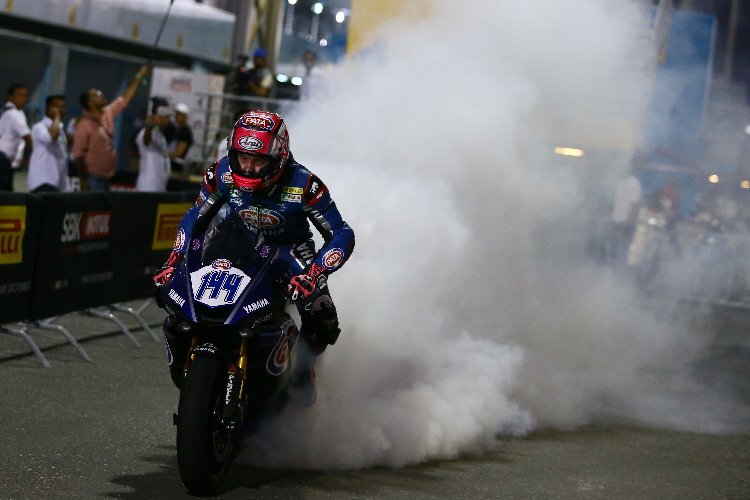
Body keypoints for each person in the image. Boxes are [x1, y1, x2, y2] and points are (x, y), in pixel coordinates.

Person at [153, 109, 355, 406]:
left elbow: (342, 233)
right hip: (234, 241)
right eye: (242, 158)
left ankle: (302, 370)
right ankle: (192, 359)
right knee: (170, 294)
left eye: (259, 160)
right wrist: (173, 261)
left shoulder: (305, 184)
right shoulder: (220, 172)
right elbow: (193, 218)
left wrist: (313, 273)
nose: (247, 168)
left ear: (279, 158)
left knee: (323, 316)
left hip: (287, 249)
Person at [72, 65, 149, 191]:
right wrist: (83, 180)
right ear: (90, 103)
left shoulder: (107, 113)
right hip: (92, 178)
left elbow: (125, 98)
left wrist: (139, 76)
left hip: (108, 177)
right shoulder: (83, 125)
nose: (101, 94)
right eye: (96, 94)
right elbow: (78, 155)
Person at [28, 94, 69, 193]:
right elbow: (51, 137)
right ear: (47, 108)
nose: (60, 110)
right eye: (56, 106)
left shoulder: (60, 128)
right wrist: (57, 116)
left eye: (63, 107)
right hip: (43, 180)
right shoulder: (39, 127)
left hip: (57, 181)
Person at [0, 83, 32, 191]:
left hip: (5, 159)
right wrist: (27, 158)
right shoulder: (14, 114)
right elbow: (28, 138)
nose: (23, 98)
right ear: (10, 96)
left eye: (25, 95)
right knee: (5, 194)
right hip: (2, 159)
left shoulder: (5, 110)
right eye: (19, 95)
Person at [135, 105, 171, 192]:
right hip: (148, 186)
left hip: (160, 185)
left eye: (166, 117)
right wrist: (149, 126)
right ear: (153, 118)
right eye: (160, 117)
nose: (163, 120)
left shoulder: (160, 134)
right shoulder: (146, 133)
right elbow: (146, 141)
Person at [609, 173, 642, 265]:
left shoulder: (633, 183)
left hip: (626, 223)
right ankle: (612, 273)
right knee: (614, 251)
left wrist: (628, 222)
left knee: (622, 251)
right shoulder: (620, 183)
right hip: (616, 222)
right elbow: (618, 203)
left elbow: (635, 205)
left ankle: (621, 276)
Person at [168, 102, 193, 173]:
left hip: (177, 167)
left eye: (178, 114)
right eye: (176, 114)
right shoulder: (179, 129)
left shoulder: (184, 131)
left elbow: (178, 153)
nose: (175, 116)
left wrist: (163, 154)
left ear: (184, 116)